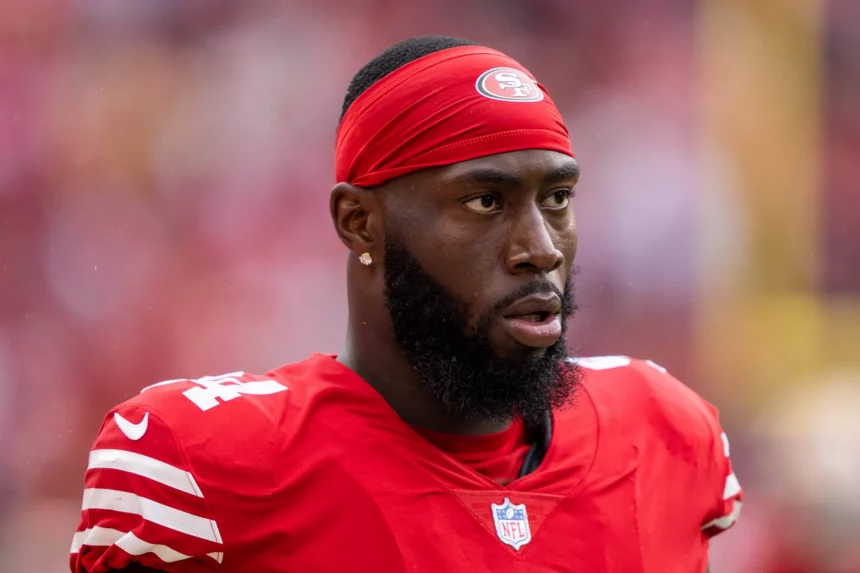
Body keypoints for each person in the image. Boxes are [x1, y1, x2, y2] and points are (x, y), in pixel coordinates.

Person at [69, 36, 742, 573]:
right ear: (361, 223)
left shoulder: (663, 434)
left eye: (557, 198)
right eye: (485, 201)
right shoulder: (204, 463)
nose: (540, 248)